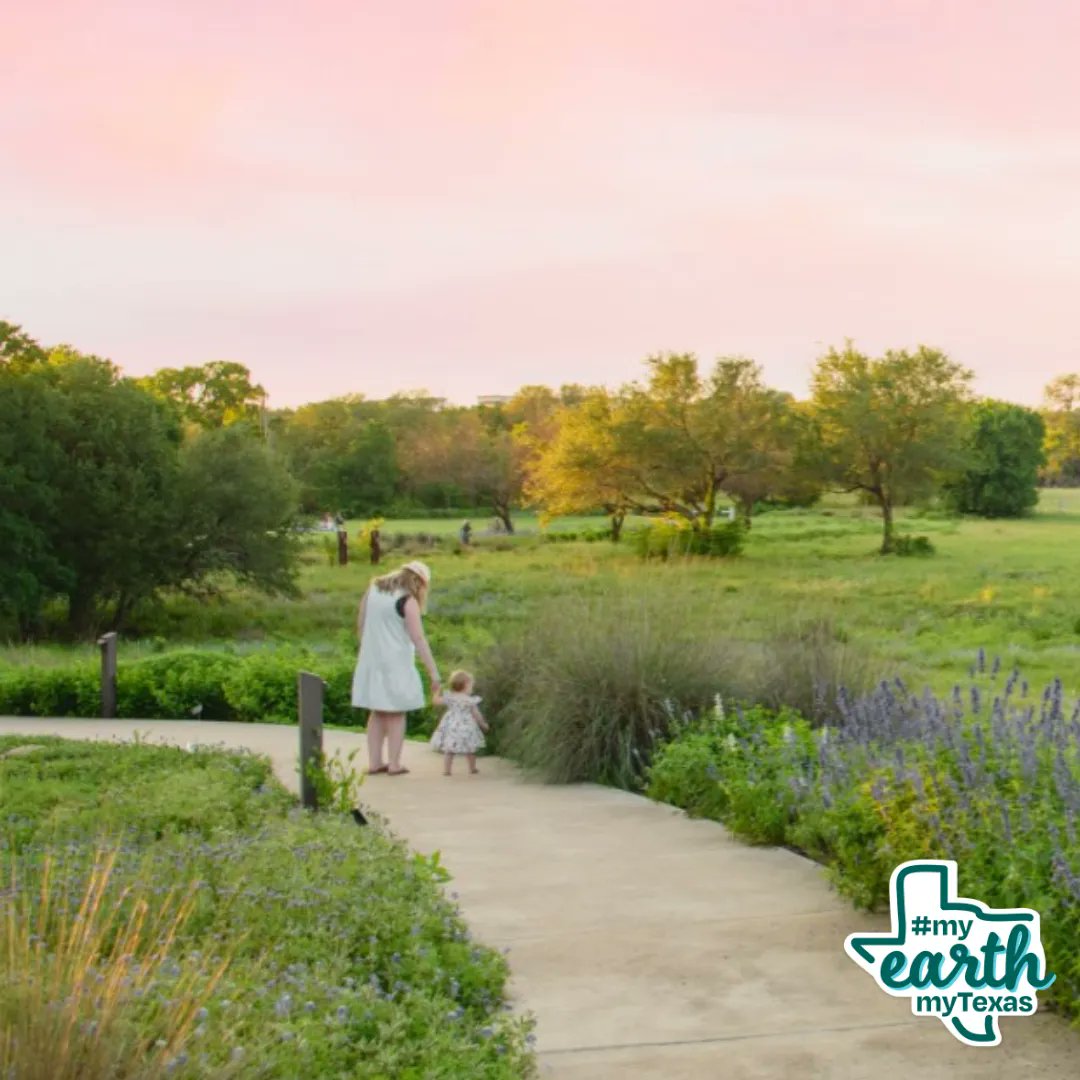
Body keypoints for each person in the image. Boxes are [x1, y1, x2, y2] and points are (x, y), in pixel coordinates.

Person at [352, 560, 441, 776]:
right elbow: (418, 638)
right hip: (396, 662)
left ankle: (374, 762)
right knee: (396, 713)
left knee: (377, 712)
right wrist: (433, 673)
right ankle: (394, 763)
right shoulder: (407, 600)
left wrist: (369, 649)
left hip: (371, 660)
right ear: (419, 582)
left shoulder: (373, 589)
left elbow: (361, 623)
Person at [430, 670, 488, 776]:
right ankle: (472, 768)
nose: (472, 688)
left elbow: (435, 701)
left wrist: (436, 691)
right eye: (471, 686)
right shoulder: (469, 700)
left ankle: (447, 770)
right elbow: (476, 714)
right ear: (465, 685)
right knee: (470, 749)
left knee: (449, 749)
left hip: (451, 726)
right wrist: (482, 724)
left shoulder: (450, 697)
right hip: (466, 727)